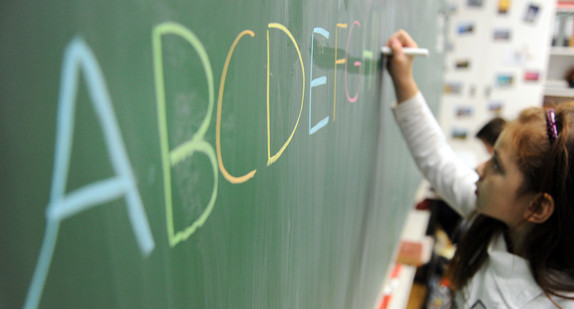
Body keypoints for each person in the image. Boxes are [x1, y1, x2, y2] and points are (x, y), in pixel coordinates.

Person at [385, 30, 574, 308]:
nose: (480, 168)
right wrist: (403, 79)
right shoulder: (494, 218)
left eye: (497, 165)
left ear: (537, 208)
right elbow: (437, 159)